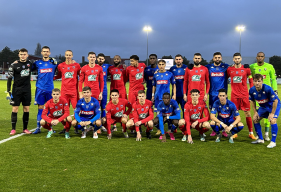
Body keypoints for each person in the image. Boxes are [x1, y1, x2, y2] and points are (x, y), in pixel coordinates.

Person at [227, 53, 256, 140]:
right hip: (234, 95)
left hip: (244, 95)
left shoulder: (246, 69)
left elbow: (251, 80)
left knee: (247, 113)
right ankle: (234, 132)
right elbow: (225, 77)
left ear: (241, 59)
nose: (237, 60)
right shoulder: (229, 69)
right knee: (234, 114)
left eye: (238, 58)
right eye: (235, 59)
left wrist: (251, 91)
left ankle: (251, 133)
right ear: (233, 59)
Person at [250, 52, 278, 141]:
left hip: (267, 94)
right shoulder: (252, 66)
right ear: (256, 57)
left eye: (262, 56)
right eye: (259, 56)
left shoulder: (269, 66)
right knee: (258, 115)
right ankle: (260, 136)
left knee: (269, 117)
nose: (260, 58)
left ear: (264, 57)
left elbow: (273, 79)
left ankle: (266, 134)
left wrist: (275, 89)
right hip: (258, 95)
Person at [250, 74, 281, 148]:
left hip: (273, 106)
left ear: (262, 81)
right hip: (263, 106)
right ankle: (260, 139)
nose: (257, 83)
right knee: (255, 119)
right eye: (255, 81)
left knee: (273, 121)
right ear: (253, 81)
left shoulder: (267, 89)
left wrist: (272, 113)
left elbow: (275, 101)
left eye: (259, 81)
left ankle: (273, 142)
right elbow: (252, 101)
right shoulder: (251, 90)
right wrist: (255, 112)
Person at [32, 46, 58, 134]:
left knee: (50, 109)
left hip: (50, 89)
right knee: (40, 108)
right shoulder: (37, 63)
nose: (45, 53)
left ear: (49, 53)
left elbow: (63, 68)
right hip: (40, 89)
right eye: (44, 51)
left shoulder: (54, 63)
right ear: (41, 53)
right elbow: (27, 68)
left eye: (47, 51)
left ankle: (50, 128)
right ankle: (38, 128)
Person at [54, 50, 81, 134]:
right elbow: (58, 75)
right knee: (64, 111)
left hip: (74, 92)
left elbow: (82, 75)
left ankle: (76, 126)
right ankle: (65, 127)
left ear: (72, 55)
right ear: (65, 56)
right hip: (64, 92)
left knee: (76, 110)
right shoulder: (61, 65)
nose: (68, 56)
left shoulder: (76, 65)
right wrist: (51, 78)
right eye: (67, 55)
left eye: (70, 55)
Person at [6, 48, 32, 135]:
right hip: (16, 90)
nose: (23, 56)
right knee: (15, 109)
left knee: (26, 109)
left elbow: (41, 64)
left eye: (24, 54)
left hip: (27, 90)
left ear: (27, 55)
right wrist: (8, 90)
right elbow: (9, 78)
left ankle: (25, 128)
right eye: (21, 54)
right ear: (19, 55)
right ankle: (13, 129)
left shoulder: (30, 63)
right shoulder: (14, 65)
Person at [205, 52, 229, 137]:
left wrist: (245, 66)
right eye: (216, 57)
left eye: (219, 57)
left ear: (221, 58)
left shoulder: (225, 67)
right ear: (213, 58)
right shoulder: (208, 67)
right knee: (213, 112)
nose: (217, 59)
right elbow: (199, 67)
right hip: (212, 94)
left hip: (223, 94)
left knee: (224, 112)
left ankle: (224, 130)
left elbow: (235, 68)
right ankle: (214, 129)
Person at [152, 59, 176, 135]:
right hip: (157, 97)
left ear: (165, 65)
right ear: (158, 65)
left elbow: (174, 85)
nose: (161, 66)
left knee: (169, 113)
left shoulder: (169, 74)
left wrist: (174, 94)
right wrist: (153, 95)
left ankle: (169, 129)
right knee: (158, 114)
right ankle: (159, 129)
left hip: (167, 98)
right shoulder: (155, 75)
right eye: (160, 64)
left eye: (163, 64)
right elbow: (154, 86)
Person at [97, 53, 111, 121]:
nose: (100, 60)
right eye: (99, 58)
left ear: (104, 60)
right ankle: (95, 123)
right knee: (96, 107)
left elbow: (116, 67)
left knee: (103, 107)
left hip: (104, 89)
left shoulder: (107, 66)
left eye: (102, 59)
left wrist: (123, 66)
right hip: (96, 89)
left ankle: (102, 123)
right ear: (97, 59)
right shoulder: (94, 66)